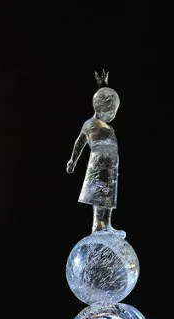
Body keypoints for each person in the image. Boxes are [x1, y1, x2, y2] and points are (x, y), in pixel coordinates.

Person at [66, 70, 122, 234]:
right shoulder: (90, 124)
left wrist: (104, 87)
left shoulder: (109, 127)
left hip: (111, 165)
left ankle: (107, 225)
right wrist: (73, 160)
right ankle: (98, 225)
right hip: (98, 164)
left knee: (108, 196)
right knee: (99, 194)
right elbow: (79, 142)